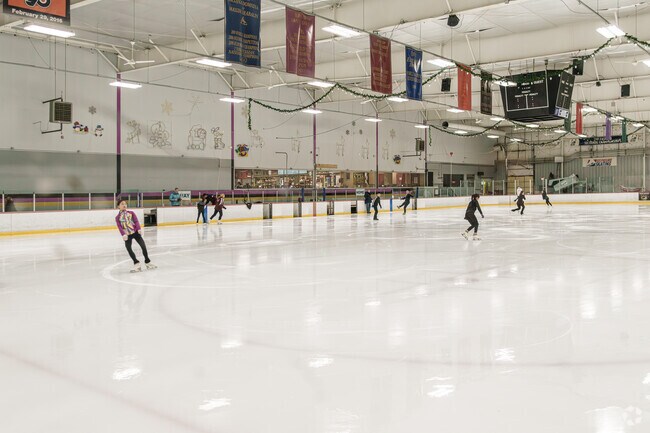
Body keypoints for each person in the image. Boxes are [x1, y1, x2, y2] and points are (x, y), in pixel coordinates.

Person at [115, 200, 155, 272]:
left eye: (125, 204)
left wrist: (139, 229)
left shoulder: (131, 213)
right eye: (122, 204)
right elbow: (119, 227)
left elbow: (136, 221)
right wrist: (123, 234)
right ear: (118, 206)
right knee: (129, 249)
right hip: (127, 235)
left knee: (143, 246)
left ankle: (147, 261)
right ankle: (136, 263)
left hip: (135, 232)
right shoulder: (117, 217)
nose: (124, 205)